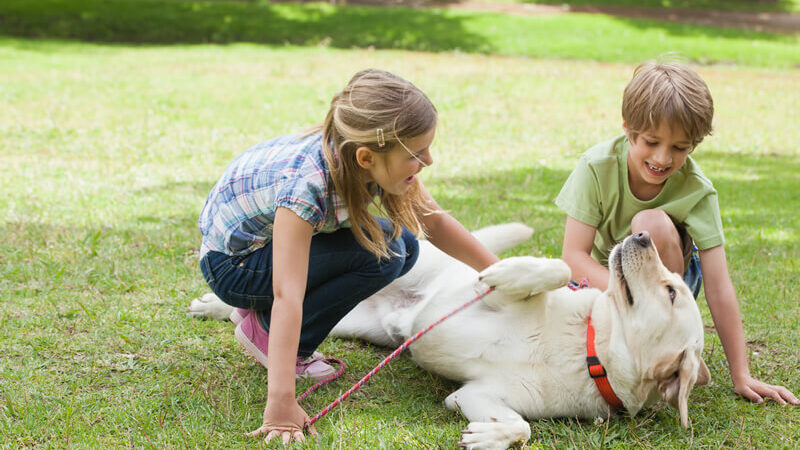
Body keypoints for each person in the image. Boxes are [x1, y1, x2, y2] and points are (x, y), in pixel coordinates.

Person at [198, 69, 499, 444]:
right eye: (416, 153)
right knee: (385, 251)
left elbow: (433, 220)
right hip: (234, 267)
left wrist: (502, 273)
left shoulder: (360, 157)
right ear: (367, 157)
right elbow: (287, 293)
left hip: (260, 250)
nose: (429, 160)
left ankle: (257, 317)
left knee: (402, 246)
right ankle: (266, 332)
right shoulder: (306, 187)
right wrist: (281, 404)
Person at [555, 60, 798, 407]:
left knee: (650, 223)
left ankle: (663, 337)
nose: (662, 158)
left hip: (670, 285)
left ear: (694, 145)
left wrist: (741, 375)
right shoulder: (596, 167)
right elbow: (573, 257)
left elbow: (718, 285)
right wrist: (626, 295)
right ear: (627, 128)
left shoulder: (697, 190)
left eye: (680, 148)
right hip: (608, 280)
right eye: (652, 141)